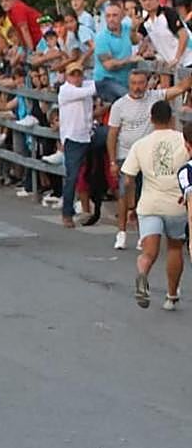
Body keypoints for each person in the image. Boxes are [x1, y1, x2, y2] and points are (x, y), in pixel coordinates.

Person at [106, 69, 192, 249]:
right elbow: (112, 134)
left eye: (140, 83)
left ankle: (143, 235)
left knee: (143, 193)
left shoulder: (155, 96)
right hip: (126, 153)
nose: (137, 87)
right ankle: (121, 233)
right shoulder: (120, 105)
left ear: (147, 84)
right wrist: (113, 161)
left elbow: (181, 88)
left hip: (148, 154)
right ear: (129, 84)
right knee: (123, 192)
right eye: (134, 83)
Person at [124, 100, 188, 309]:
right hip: (176, 203)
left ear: (151, 119)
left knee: (149, 252)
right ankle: (171, 295)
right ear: (171, 118)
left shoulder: (140, 145)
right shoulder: (182, 139)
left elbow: (128, 179)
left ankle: (142, 274)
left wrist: (131, 206)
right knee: (174, 248)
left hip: (149, 203)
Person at [56, 62, 97, 228]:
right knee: (72, 176)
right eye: (73, 75)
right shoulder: (66, 90)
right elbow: (91, 89)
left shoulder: (85, 86)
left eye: (79, 74)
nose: (76, 78)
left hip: (88, 134)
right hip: (73, 138)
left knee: (93, 172)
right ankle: (67, 213)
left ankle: (92, 208)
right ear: (67, 76)